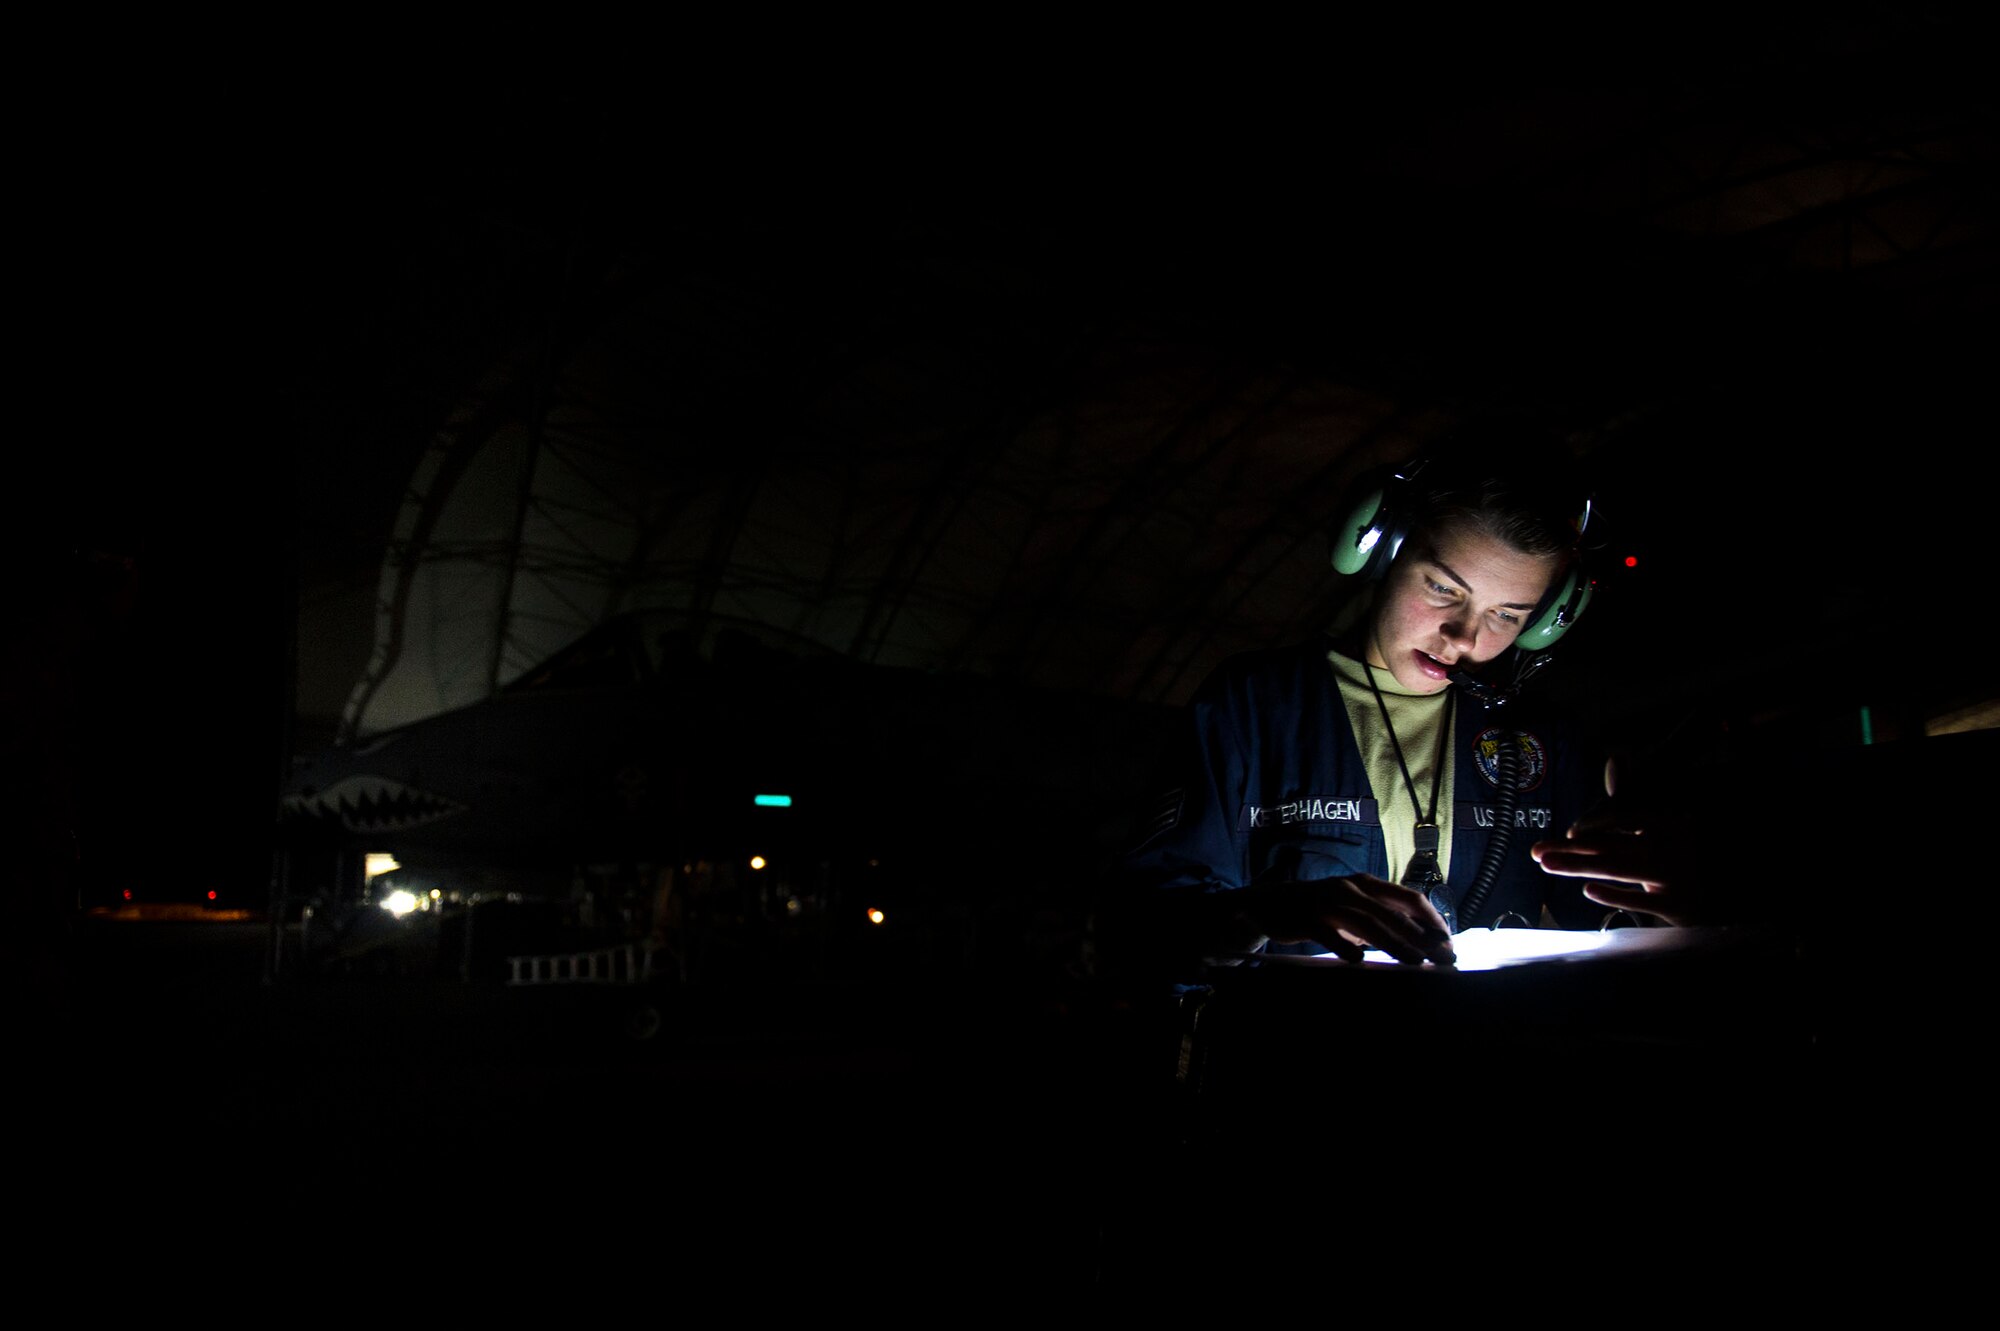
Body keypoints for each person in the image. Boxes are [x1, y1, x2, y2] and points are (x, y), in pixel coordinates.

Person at [1096, 420, 1674, 991]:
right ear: (1381, 551)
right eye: (1444, 588)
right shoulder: (1254, 706)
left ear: (1541, 624)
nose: (1464, 637)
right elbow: (1135, 931)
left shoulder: (1549, 743)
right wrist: (1258, 915)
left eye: (1507, 615)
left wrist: (1668, 898)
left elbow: (1623, 941)